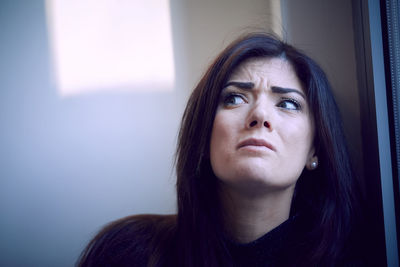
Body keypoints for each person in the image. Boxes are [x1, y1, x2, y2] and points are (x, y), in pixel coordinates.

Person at [77, 32, 360, 267]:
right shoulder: (127, 253)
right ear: (203, 135)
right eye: (234, 98)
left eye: (287, 104)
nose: (260, 115)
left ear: (315, 149)